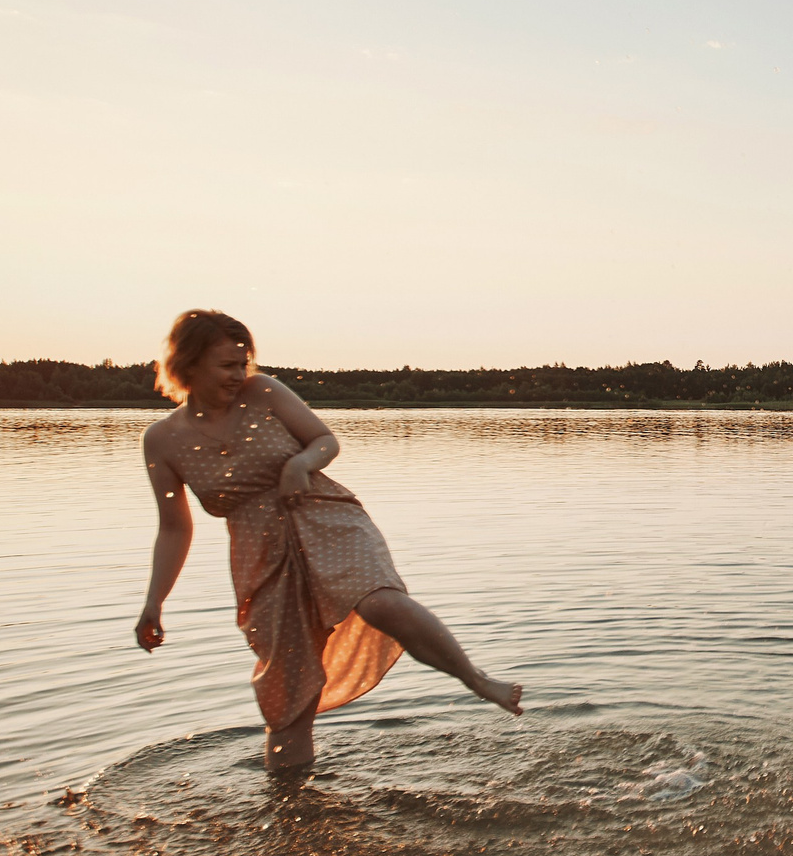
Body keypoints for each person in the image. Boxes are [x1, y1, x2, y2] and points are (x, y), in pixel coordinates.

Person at [134, 309, 523, 771]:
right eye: (227, 365)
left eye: (244, 363)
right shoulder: (161, 439)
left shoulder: (264, 392)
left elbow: (324, 440)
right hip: (259, 554)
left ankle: (477, 679)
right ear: (189, 364)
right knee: (288, 693)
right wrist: (154, 602)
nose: (240, 375)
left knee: (379, 602)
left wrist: (301, 463)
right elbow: (175, 527)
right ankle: (290, 807)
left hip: (324, 517)